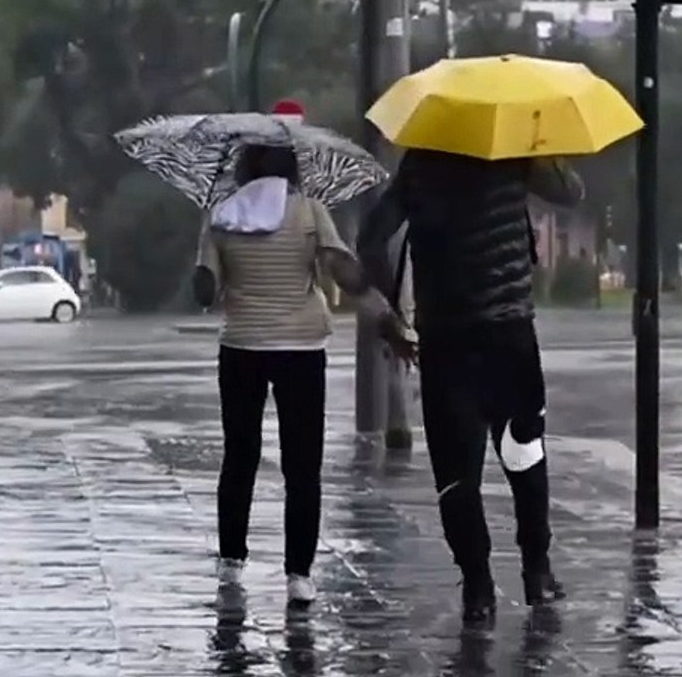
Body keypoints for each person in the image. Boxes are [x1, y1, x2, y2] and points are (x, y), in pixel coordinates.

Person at [356, 148, 584, 624]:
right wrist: (543, 148)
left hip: (446, 340)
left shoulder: (420, 162)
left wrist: (390, 313)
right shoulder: (513, 153)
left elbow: (371, 238)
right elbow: (570, 192)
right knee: (525, 457)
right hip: (509, 336)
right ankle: (537, 572)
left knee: (456, 473)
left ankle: (477, 587)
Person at [194, 144, 413, 607]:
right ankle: (299, 574)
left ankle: (231, 561)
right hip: (302, 349)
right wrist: (387, 320)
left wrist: (209, 256)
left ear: (244, 168)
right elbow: (346, 274)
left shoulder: (222, 215)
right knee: (302, 465)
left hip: (242, 347)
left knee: (239, 457)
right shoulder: (310, 211)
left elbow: (205, 291)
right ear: (292, 168)